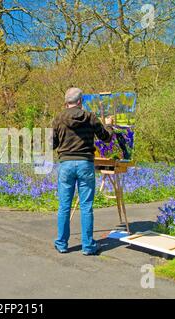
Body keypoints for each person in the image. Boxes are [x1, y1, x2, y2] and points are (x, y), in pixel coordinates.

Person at [52, 87, 114, 255]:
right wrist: (109, 126)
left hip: (66, 165)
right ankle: (88, 246)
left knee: (64, 206)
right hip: (85, 163)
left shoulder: (58, 118)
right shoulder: (90, 117)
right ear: (80, 101)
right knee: (86, 206)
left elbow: (53, 144)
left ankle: (62, 244)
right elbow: (106, 138)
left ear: (66, 102)